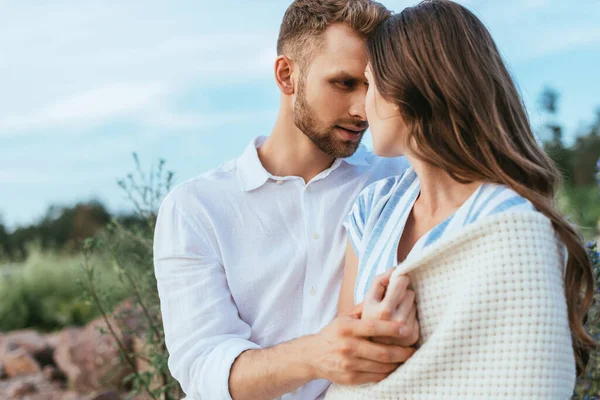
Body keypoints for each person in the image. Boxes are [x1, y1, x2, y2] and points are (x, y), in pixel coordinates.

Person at [325, 1, 596, 398]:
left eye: (370, 83)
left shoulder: (514, 227)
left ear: (405, 90)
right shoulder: (373, 209)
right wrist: (375, 342)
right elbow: (342, 359)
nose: (363, 106)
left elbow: (532, 385)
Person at [153, 1, 420, 400]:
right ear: (286, 75)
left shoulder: (397, 181)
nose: (362, 109)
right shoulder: (195, 209)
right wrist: (318, 355)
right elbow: (204, 367)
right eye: (344, 83)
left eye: (372, 85)